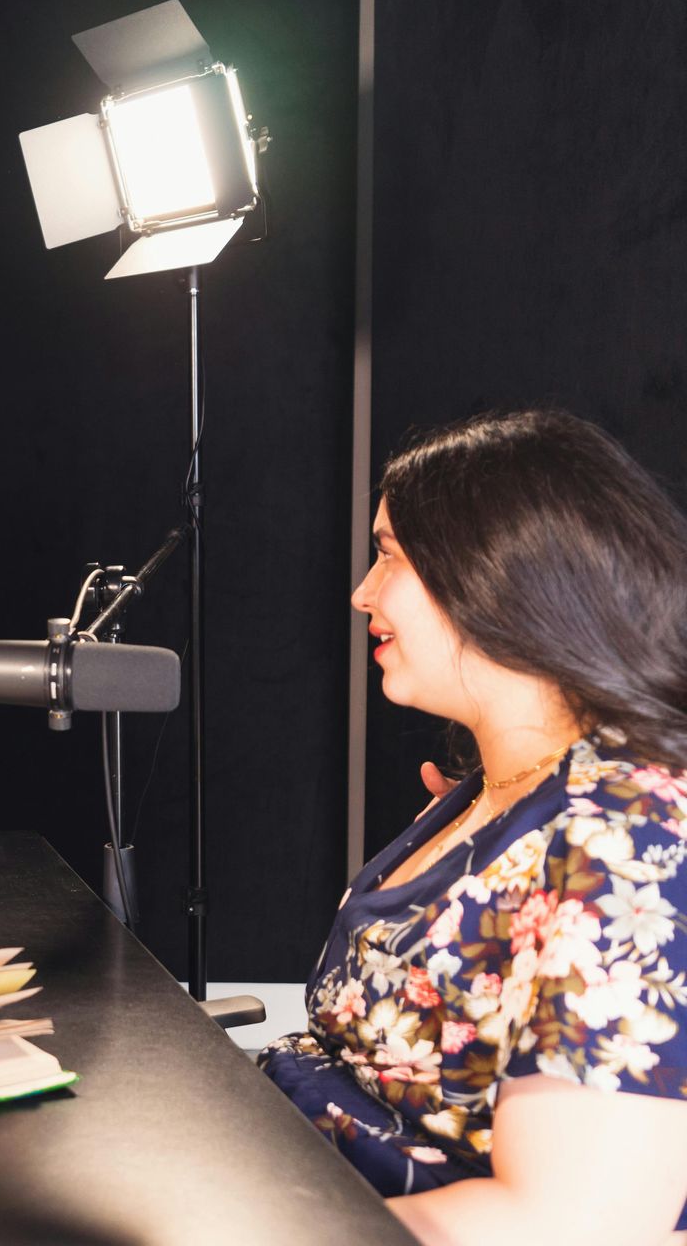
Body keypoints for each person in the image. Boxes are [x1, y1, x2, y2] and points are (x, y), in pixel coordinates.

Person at [258, 410, 687, 1244]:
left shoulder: (627, 841)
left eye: (388, 554)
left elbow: (566, 1223)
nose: (362, 594)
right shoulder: (498, 792)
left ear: (498, 565)